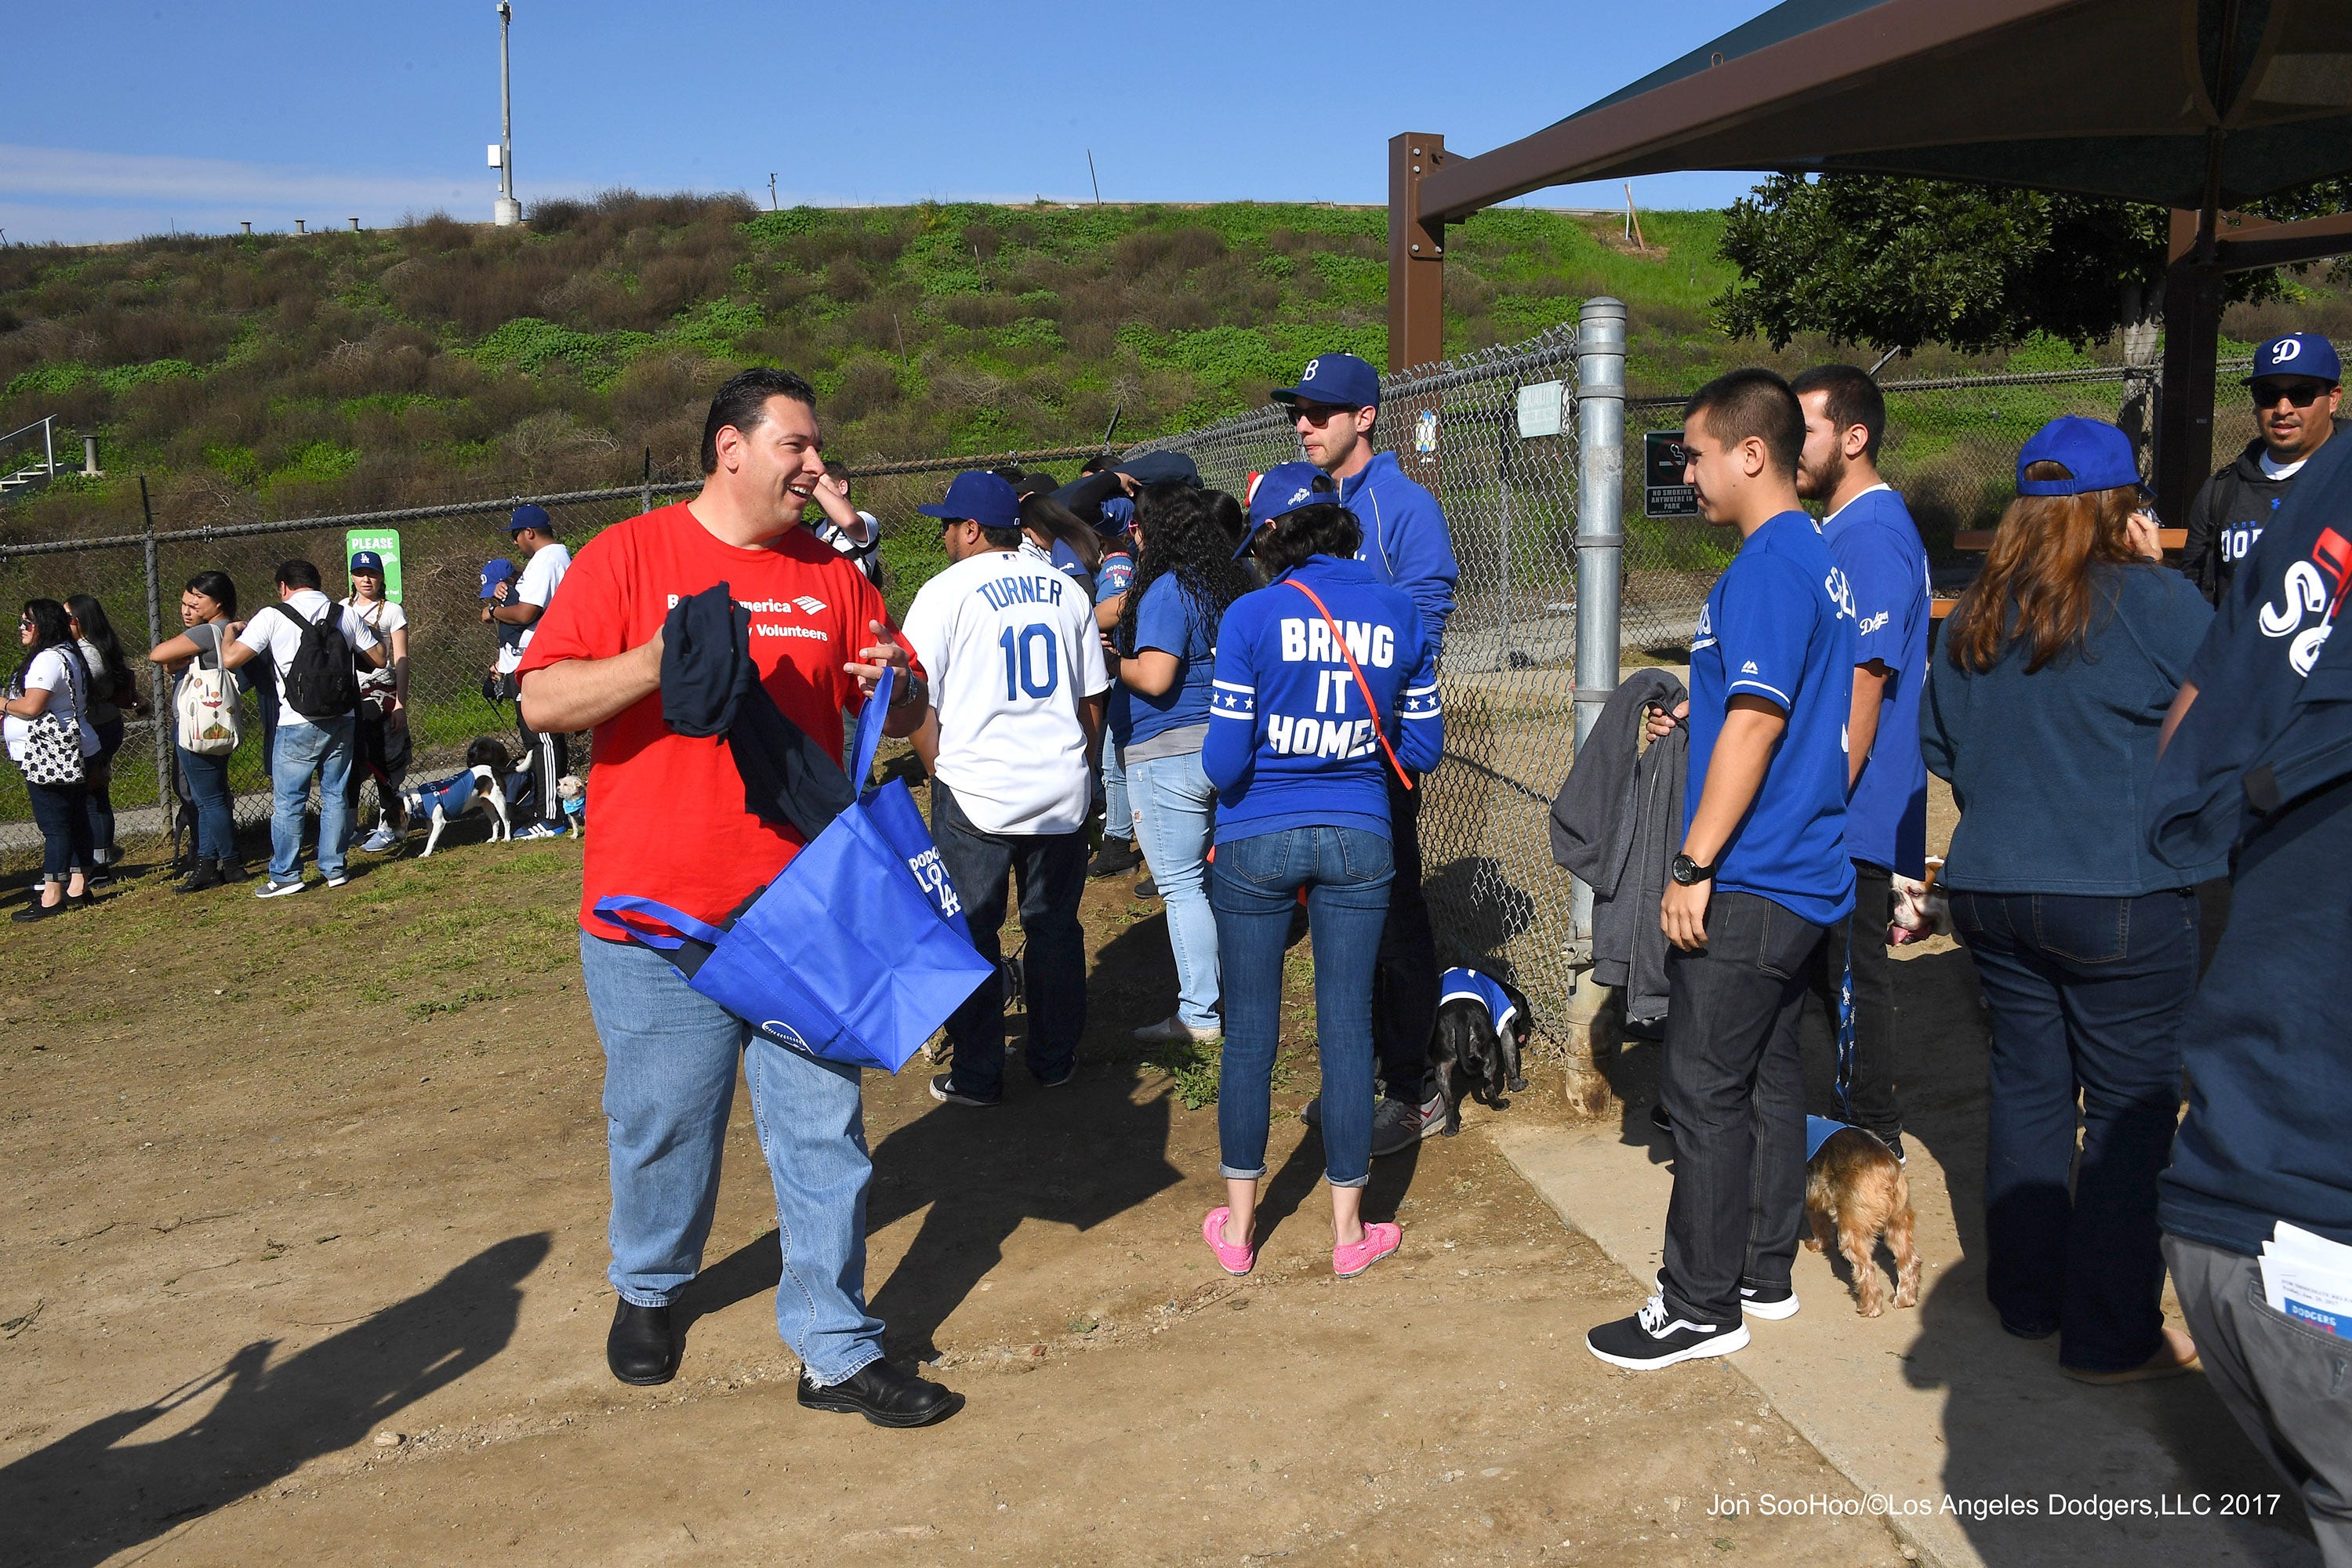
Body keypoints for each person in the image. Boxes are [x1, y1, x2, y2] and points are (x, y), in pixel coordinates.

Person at [515, 366, 958, 1427]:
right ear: (732, 449)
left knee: (823, 1135)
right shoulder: (631, 555)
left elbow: (899, 712)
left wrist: (891, 683)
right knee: (664, 1123)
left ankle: (837, 1350)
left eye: (815, 447)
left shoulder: (831, 571)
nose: (815, 465)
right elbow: (541, 700)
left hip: (802, 914)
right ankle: (652, 1286)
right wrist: (660, 662)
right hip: (652, 914)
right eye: (797, 446)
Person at [1922, 416, 2213, 1382]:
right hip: (2119, 887)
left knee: (2030, 1089)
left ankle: (2027, 1299)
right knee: (2131, 1108)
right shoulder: (2152, 600)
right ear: (2121, 507)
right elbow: (2237, 711)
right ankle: (2108, 1330)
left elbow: (1948, 756)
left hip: (1993, 885)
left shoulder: (1970, 614)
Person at [1586, 369, 1857, 1370]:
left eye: (1696, 452)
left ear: (1752, 453)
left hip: (1754, 874)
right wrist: (1700, 705)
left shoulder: (1772, 564)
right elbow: (1764, 695)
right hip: (1801, 870)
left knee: (1701, 1089)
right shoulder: (1808, 556)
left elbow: (1760, 715)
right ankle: (1761, 1269)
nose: (1686, 470)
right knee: (1766, 1076)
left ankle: (1698, 1304)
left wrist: (1693, 860)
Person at [2150, 426, 2352, 1555]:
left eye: (2300, 388)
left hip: (2236, 1202)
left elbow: (2187, 766)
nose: (2281, 407)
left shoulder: (2314, 506)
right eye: (2267, 388)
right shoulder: (2231, 522)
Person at [1200, 465, 1443, 1279]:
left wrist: (1283, 753)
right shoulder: (1401, 610)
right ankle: (1349, 1232)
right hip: (1360, 833)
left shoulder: (1250, 614)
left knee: (1252, 1036)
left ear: (1273, 536)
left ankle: (1238, 1230)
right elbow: (1423, 746)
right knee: (1346, 1029)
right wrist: (1349, 750)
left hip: (1255, 835)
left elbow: (1222, 758)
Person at [1274, 351, 1459, 1153]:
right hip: (1313, 754)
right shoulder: (1307, 500)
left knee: (1391, 919)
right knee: (1340, 922)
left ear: (1365, 416)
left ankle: (1414, 1086)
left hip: (1376, 756)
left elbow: (1424, 625)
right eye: (1298, 412)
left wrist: (1362, 697)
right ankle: (1359, 1071)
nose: (1304, 424)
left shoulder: (1402, 505)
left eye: (1321, 411)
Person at [901, 470, 1111, 1107]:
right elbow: (1092, 698)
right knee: (1054, 928)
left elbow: (913, 696)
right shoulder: (1066, 589)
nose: (944, 536)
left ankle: (979, 1075)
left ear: (970, 529)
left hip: (978, 792)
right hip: (1060, 788)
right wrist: (1087, 770)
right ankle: (1052, 1060)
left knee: (970, 933)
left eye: (947, 525)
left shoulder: (944, 591)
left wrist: (940, 768)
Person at [1791, 363, 1930, 1158]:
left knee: (1851, 981)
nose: (1789, 445)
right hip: (1836, 809)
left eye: (1803, 428)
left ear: (1854, 436)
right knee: (1823, 982)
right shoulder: (1838, 528)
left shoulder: (1871, 534)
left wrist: (1817, 806)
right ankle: (1840, 1135)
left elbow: (1863, 695)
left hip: (1851, 812)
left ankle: (1874, 1143)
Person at [1113, 482, 1258, 1047]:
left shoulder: (1168, 590)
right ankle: (1241, 989)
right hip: (1223, 744)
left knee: (1181, 886)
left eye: (1142, 526)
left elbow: (1154, 677)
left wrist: (1107, 662)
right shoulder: (1229, 583)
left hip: (1167, 753)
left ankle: (1199, 1012)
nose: (1135, 534)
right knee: (1221, 879)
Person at [220, 560, 385, 898]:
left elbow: (231, 660)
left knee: (290, 801)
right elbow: (380, 658)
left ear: (283, 586)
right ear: (318, 583)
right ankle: (335, 868)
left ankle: (286, 875)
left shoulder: (272, 615)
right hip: (343, 718)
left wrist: (228, 632)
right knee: (336, 793)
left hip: (297, 721)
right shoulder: (345, 613)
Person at [2183, 332, 2343, 605]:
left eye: (2301, 394)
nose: (2282, 408)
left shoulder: (2345, 477)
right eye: (2267, 394)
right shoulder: (2220, 491)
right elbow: (2194, 594)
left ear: (2333, 399)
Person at [149, 572, 249, 891]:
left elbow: (158, 654)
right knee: (214, 796)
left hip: (196, 729)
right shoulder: (229, 631)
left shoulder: (208, 631)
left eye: (196, 601)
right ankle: (207, 863)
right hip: (220, 726)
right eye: (185, 602)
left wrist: (183, 654)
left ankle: (231, 864)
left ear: (218, 603)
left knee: (210, 801)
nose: (188, 608)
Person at [4, 599, 99, 920]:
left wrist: (3, 703)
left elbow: (32, 707)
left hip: (50, 755)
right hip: (72, 749)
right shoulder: (69, 653)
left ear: (43, 626)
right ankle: (77, 885)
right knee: (74, 818)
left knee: (55, 825)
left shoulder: (48, 659)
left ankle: (52, 895)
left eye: (27, 623)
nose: (22, 628)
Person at [488, 505, 572, 840]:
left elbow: (525, 613)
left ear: (530, 533)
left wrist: (495, 610)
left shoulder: (548, 558)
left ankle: (552, 816)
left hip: (544, 658)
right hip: (536, 658)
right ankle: (544, 809)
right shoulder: (549, 559)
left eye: (515, 535)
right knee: (536, 738)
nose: (515, 543)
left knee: (545, 737)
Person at [1087, 495, 1144, 880]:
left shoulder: (1118, 565)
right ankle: (1117, 840)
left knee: (1116, 757)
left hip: (1123, 672)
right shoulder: (1119, 562)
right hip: (1120, 673)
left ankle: (1118, 840)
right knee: (1112, 759)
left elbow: (1112, 613)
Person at [340, 551, 411, 854]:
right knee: (351, 763)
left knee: (386, 762)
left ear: (382, 577)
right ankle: (348, 828)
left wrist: (400, 703)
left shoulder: (392, 611)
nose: (365, 579)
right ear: (352, 577)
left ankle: (388, 825)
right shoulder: (341, 609)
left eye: (372, 573)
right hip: (349, 695)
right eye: (359, 573)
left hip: (381, 694)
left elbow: (402, 658)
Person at [65, 593, 136, 880]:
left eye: (68, 617)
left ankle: (100, 862)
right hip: (98, 727)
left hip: (99, 728)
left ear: (83, 621)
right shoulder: (79, 648)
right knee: (91, 795)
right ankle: (95, 856)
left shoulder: (90, 651)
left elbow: (76, 684)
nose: (63, 622)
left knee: (93, 794)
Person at [807, 464, 884, 589]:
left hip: (852, 601)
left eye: (823, 489)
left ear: (842, 487)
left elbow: (849, 522)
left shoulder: (866, 520)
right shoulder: (816, 527)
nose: (819, 496)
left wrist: (812, 483)